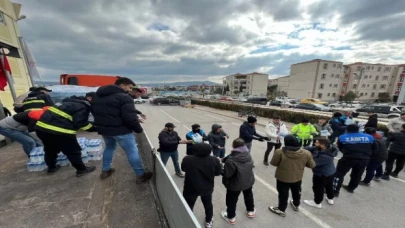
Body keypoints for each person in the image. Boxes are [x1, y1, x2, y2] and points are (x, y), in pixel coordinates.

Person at [91, 77, 153, 184]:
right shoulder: (124, 97)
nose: (130, 90)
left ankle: (105, 170)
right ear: (122, 85)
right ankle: (140, 175)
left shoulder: (97, 96)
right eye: (129, 87)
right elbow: (129, 118)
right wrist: (139, 130)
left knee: (109, 148)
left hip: (104, 130)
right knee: (132, 151)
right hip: (121, 131)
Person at [35, 96, 96, 176]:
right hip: (60, 132)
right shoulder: (82, 106)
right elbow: (80, 123)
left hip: (41, 129)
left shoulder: (64, 102)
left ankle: (51, 168)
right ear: (89, 99)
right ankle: (81, 170)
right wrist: (94, 128)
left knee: (50, 149)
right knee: (73, 151)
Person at [268, 135, 315, 217]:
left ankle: (281, 209)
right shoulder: (306, 153)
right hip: (297, 177)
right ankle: (296, 205)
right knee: (296, 192)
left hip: (282, 177)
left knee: (283, 194)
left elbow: (273, 163)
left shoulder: (279, 152)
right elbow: (311, 165)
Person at [181, 143, 222, 228]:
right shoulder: (214, 160)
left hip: (190, 187)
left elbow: (183, 168)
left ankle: (188, 220)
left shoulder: (187, 159)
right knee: (208, 205)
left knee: (188, 205)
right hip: (207, 187)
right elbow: (218, 173)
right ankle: (208, 221)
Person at [333, 124, 377, 196]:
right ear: (358, 129)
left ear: (347, 130)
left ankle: (335, 191)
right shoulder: (369, 137)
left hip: (348, 158)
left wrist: (347, 153)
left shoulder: (342, 137)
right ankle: (351, 188)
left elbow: (340, 148)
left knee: (339, 174)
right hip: (364, 160)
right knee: (357, 175)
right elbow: (375, 148)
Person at [221, 138, 256, 225]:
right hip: (248, 181)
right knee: (248, 195)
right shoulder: (248, 154)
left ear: (234, 146)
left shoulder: (231, 160)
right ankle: (250, 211)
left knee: (231, 200)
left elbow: (227, 174)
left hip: (235, 184)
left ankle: (231, 217)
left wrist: (220, 169)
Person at [303, 138, 337, 209]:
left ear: (322, 145)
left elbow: (312, 164)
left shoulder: (326, 156)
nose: (315, 144)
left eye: (317, 143)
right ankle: (330, 198)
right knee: (329, 186)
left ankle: (317, 202)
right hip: (331, 172)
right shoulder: (325, 148)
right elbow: (309, 148)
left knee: (318, 188)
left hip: (322, 174)